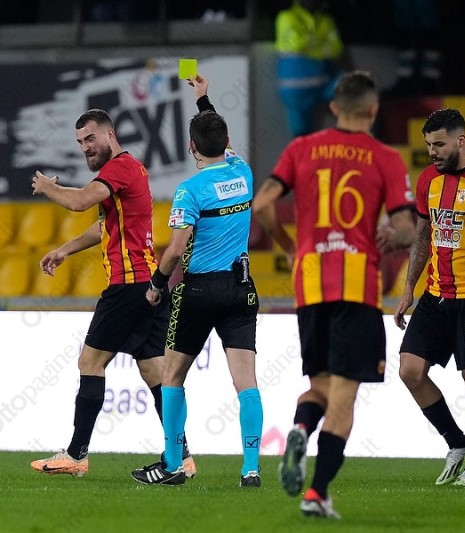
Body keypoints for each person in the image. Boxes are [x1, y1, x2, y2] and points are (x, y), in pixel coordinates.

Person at [253, 70, 416, 518]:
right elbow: (407, 228)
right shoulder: (385, 157)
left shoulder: (300, 148)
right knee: (344, 397)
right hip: (357, 287)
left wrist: (290, 247)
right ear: (373, 110)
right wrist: (394, 236)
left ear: (332, 108)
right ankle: (317, 493)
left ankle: (301, 429)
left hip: (310, 284)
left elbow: (262, 204)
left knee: (320, 388)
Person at [28, 108, 195, 478]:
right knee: (154, 370)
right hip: (149, 282)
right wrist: (65, 250)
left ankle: (76, 454)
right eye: (80, 142)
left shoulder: (118, 169)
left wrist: (47, 187)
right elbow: (105, 225)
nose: (85, 147)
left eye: (90, 138)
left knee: (90, 362)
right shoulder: (131, 170)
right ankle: (181, 455)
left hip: (128, 285)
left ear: (110, 134)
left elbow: (80, 201)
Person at [131, 74, 263, 487]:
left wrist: (156, 285)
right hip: (241, 289)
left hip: (200, 291)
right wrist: (204, 101)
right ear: (226, 143)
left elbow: (174, 250)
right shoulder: (243, 173)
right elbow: (222, 142)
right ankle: (251, 468)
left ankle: (173, 464)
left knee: (172, 376)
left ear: (191, 147)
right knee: (246, 383)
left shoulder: (189, 191)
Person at [394, 108, 465, 488]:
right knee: (409, 370)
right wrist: (408, 290)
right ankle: (456, 443)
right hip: (435, 294)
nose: (432, 152)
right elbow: (423, 237)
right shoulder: (428, 180)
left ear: (460, 140)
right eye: (429, 145)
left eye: (439, 144)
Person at [275, 0, 344, 137]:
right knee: (301, 136)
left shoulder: (326, 19)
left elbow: (336, 48)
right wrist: (322, 43)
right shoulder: (286, 17)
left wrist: (309, 44)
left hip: (323, 85)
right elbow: (296, 44)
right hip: (296, 90)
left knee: (355, 92)